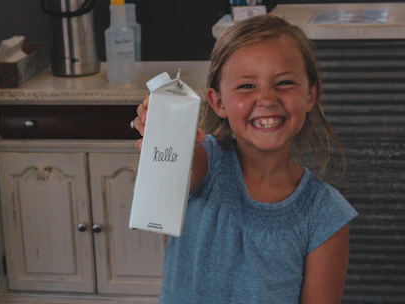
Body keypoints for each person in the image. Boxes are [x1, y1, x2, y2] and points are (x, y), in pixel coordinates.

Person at [133, 15, 357, 304]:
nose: (266, 98)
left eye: (285, 82)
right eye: (247, 86)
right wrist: (164, 128)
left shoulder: (326, 215)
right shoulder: (205, 162)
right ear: (218, 102)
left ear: (311, 95)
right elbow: (178, 169)